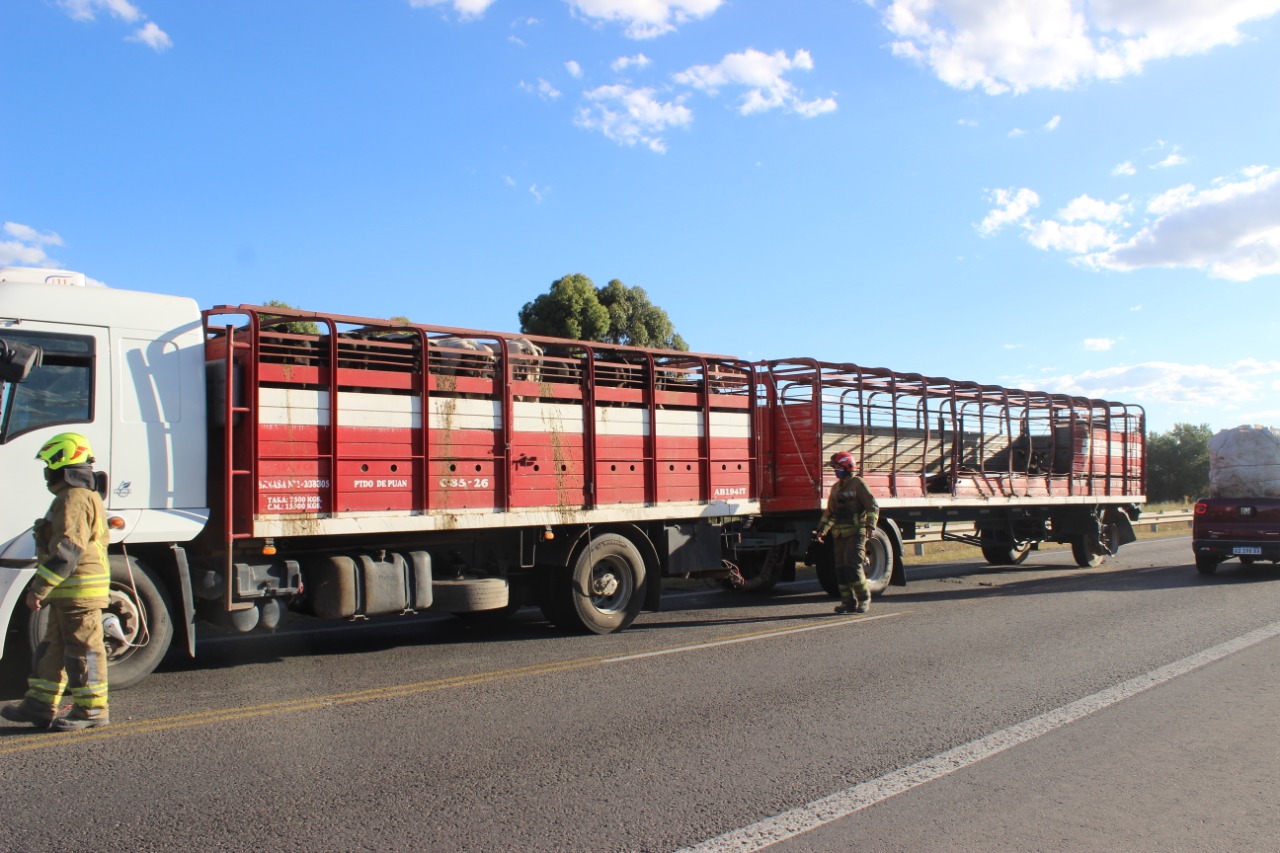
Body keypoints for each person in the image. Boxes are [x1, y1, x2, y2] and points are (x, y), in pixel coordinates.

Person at [0, 432, 111, 731]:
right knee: (53, 647)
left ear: (62, 464)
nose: (46, 471)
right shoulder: (73, 496)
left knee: (84, 650)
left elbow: (67, 549)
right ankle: (39, 705)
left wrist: (39, 588)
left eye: (48, 464)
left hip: (80, 591)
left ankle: (92, 710)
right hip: (69, 591)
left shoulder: (74, 498)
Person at [814, 451, 880, 614]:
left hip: (856, 533)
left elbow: (872, 506)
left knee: (853, 567)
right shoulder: (836, 488)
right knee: (840, 570)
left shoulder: (858, 483)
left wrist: (870, 525)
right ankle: (847, 602)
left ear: (847, 466)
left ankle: (863, 600)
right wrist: (822, 529)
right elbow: (830, 513)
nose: (836, 470)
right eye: (835, 467)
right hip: (839, 535)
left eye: (837, 467)